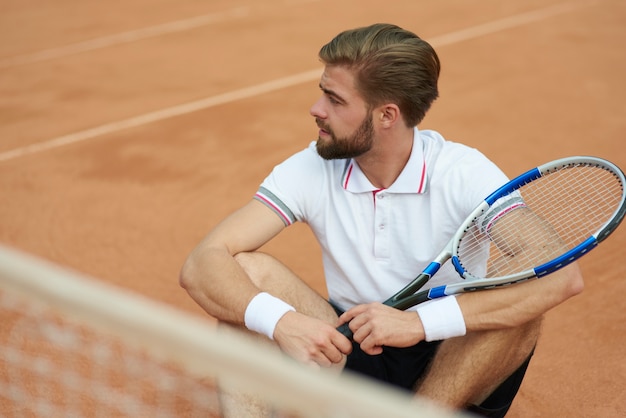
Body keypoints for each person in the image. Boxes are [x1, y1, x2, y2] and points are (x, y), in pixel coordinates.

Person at [180, 23, 584, 417]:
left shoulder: (463, 172)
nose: (316, 110)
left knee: (523, 307)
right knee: (247, 274)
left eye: (335, 100)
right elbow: (204, 261)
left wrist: (418, 324)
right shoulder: (311, 168)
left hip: (452, 359)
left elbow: (561, 275)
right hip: (352, 348)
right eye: (323, 93)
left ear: (387, 115)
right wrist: (282, 322)